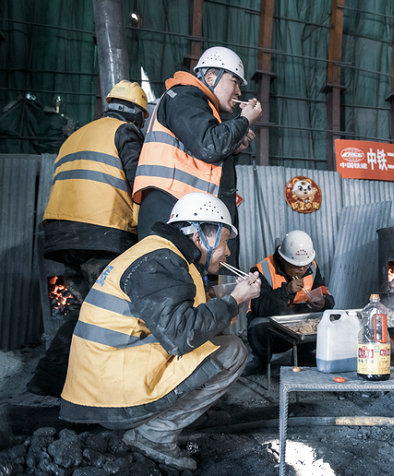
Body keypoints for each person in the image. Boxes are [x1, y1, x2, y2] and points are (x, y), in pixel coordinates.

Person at [58, 192, 260, 471]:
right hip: (108, 395)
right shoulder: (161, 261)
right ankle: (154, 434)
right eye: (225, 241)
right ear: (199, 237)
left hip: (106, 379)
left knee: (216, 338)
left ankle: (174, 414)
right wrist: (234, 300)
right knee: (232, 351)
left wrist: (228, 295)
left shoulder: (162, 253)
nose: (227, 252)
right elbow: (182, 335)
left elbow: (179, 305)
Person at [27, 80, 149, 397]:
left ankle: (49, 377)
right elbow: (140, 182)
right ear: (137, 114)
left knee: (83, 307)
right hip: (102, 233)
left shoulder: (77, 136)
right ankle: (101, 383)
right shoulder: (125, 132)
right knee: (112, 309)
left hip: (61, 235)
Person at [132, 46, 262, 258]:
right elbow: (209, 146)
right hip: (169, 207)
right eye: (235, 81)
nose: (239, 92)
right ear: (211, 77)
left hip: (181, 208)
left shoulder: (199, 105)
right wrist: (244, 120)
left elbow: (201, 155)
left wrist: (233, 146)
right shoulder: (184, 96)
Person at [245, 230, 335, 374]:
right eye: (296, 266)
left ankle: (304, 356)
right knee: (257, 325)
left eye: (305, 265)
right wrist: (285, 291)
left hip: (300, 326)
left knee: (324, 318)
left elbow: (326, 294)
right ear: (283, 260)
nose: (301, 270)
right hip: (273, 330)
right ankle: (260, 361)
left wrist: (323, 302)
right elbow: (261, 308)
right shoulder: (263, 270)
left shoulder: (312, 267)